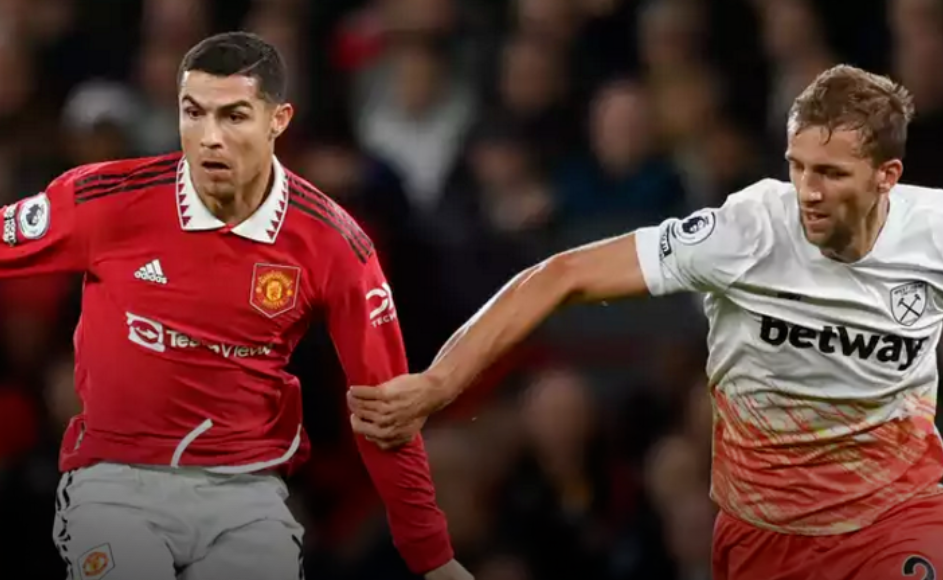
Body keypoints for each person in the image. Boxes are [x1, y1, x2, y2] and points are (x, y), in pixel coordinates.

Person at [347, 64, 943, 580]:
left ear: (886, 176)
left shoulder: (932, 233)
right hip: (768, 529)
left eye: (831, 174)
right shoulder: (746, 232)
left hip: (899, 515)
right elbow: (561, 275)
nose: (807, 191)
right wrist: (439, 382)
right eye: (797, 167)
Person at [0, 32, 471, 580]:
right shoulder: (107, 201)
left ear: (278, 120)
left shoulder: (334, 245)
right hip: (117, 484)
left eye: (234, 116)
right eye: (194, 113)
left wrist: (432, 556)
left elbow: (386, 411)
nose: (210, 138)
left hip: (246, 496)